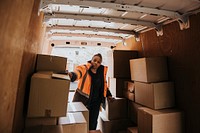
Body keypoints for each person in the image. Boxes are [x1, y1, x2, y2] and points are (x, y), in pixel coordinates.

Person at [68, 53, 114, 130]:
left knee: (92, 123)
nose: (96, 63)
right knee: (78, 121)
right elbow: (78, 72)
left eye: (99, 62)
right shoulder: (85, 68)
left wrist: (109, 95)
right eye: (95, 60)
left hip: (95, 102)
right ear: (91, 60)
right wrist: (72, 75)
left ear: (100, 64)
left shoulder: (101, 73)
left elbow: (104, 85)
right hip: (82, 98)